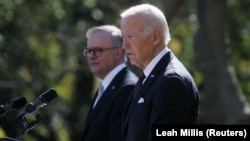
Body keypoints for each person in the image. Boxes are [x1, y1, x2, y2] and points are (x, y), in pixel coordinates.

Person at [120, 3, 200, 141]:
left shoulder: (172, 81)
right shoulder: (151, 77)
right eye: (123, 38)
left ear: (155, 36)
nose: (124, 45)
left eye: (130, 36)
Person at [80, 25, 138, 141]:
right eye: (89, 51)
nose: (91, 56)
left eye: (97, 51)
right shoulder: (105, 86)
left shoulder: (127, 88)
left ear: (118, 52)